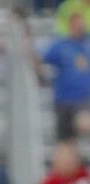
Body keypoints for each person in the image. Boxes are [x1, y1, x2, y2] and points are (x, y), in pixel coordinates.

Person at [40, 11, 90, 139]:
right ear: (70, 26)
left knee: (84, 123)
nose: (80, 28)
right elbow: (41, 59)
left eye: (81, 25)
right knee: (65, 143)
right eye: (77, 25)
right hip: (63, 100)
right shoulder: (61, 46)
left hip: (83, 100)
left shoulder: (87, 45)